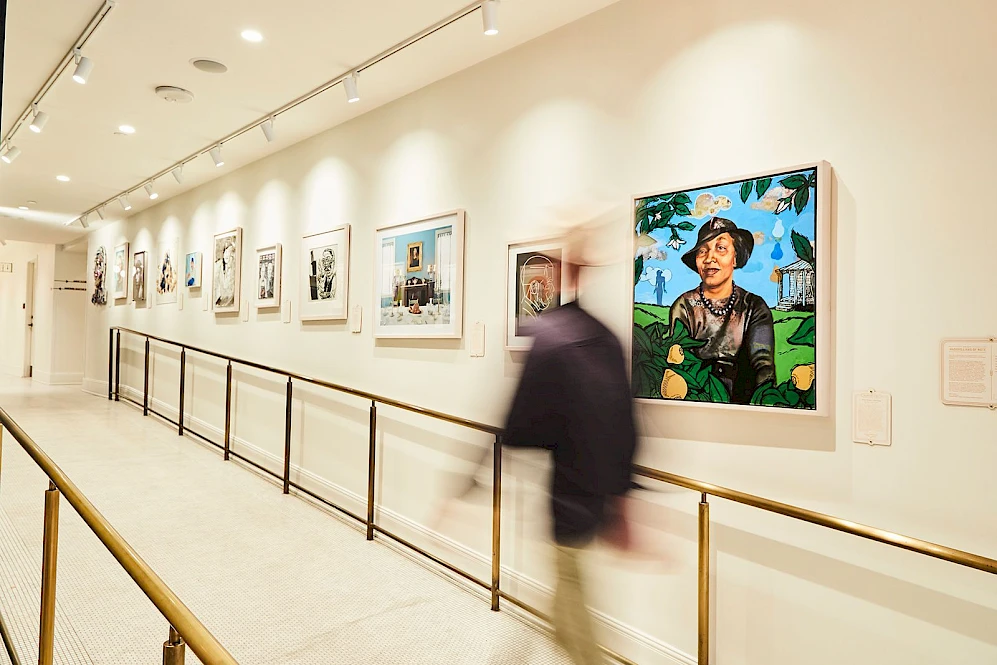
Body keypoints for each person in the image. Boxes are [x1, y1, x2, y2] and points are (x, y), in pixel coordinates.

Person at [504, 235, 637, 665]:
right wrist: (621, 500)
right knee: (566, 583)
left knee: (569, 584)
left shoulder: (553, 334)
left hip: (569, 490)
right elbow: (624, 425)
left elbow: (521, 420)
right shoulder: (605, 339)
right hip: (595, 489)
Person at [669, 216, 775, 403]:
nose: (710, 258)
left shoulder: (754, 307)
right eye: (702, 251)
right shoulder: (684, 306)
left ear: (735, 257)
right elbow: (677, 361)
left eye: (721, 248)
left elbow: (763, 366)